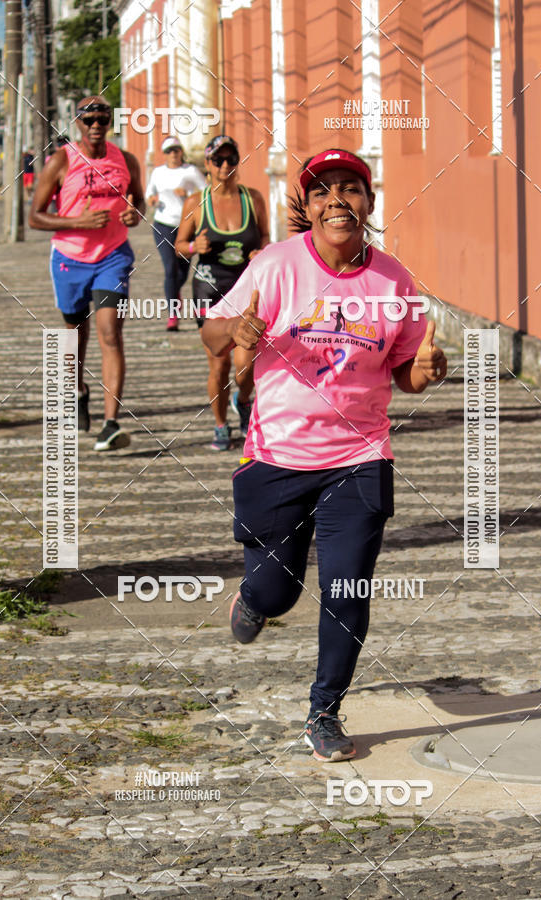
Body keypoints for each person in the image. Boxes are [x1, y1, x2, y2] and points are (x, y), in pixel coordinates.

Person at [201, 148, 447, 762]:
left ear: (369, 204)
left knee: (346, 588)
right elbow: (211, 329)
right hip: (278, 455)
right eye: (322, 191)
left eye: (351, 189)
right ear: (306, 208)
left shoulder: (394, 280)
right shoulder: (275, 264)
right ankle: (255, 599)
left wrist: (427, 372)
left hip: (360, 456)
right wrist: (234, 333)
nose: (337, 199)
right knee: (280, 592)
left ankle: (324, 712)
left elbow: (406, 373)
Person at [29, 97, 145, 451]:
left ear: (110, 122)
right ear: (77, 123)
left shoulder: (125, 159)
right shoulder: (61, 161)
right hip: (70, 260)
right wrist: (77, 221)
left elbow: (138, 201)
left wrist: (133, 214)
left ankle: (111, 423)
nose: (96, 124)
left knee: (110, 331)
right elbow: (35, 216)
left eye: (102, 118)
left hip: (113, 258)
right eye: (89, 119)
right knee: (74, 334)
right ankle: (78, 390)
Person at [175, 135, 269, 450]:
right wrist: (193, 247)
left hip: (246, 291)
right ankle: (220, 425)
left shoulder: (253, 199)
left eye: (231, 159)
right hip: (209, 289)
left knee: (245, 366)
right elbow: (178, 247)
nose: (225, 166)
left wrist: (262, 252)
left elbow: (266, 237)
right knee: (219, 365)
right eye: (218, 160)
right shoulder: (195, 203)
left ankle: (243, 401)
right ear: (207, 165)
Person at [146, 135, 206, 331]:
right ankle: (173, 314)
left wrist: (188, 196)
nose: (173, 154)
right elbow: (149, 194)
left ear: (181, 152)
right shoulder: (158, 173)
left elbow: (207, 193)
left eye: (176, 150)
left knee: (182, 272)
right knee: (170, 268)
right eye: (169, 151)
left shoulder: (190, 171)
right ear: (164, 155)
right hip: (163, 224)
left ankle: (175, 293)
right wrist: (153, 200)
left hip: (187, 226)